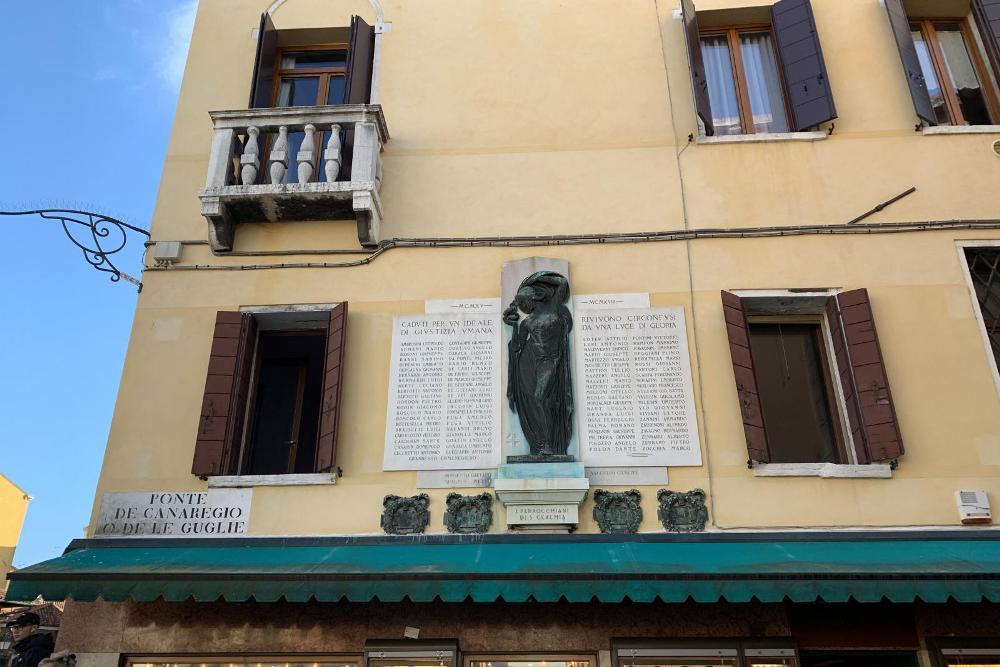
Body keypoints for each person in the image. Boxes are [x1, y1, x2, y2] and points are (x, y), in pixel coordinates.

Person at [503, 270, 574, 456]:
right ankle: (541, 443)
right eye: (521, 303)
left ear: (533, 298)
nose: (523, 306)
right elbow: (517, 347)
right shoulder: (527, 322)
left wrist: (538, 278)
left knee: (540, 397)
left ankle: (549, 443)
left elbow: (561, 282)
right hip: (530, 363)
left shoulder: (554, 308)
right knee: (535, 401)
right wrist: (513, 326)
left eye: (523, 301)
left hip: (550, 361)